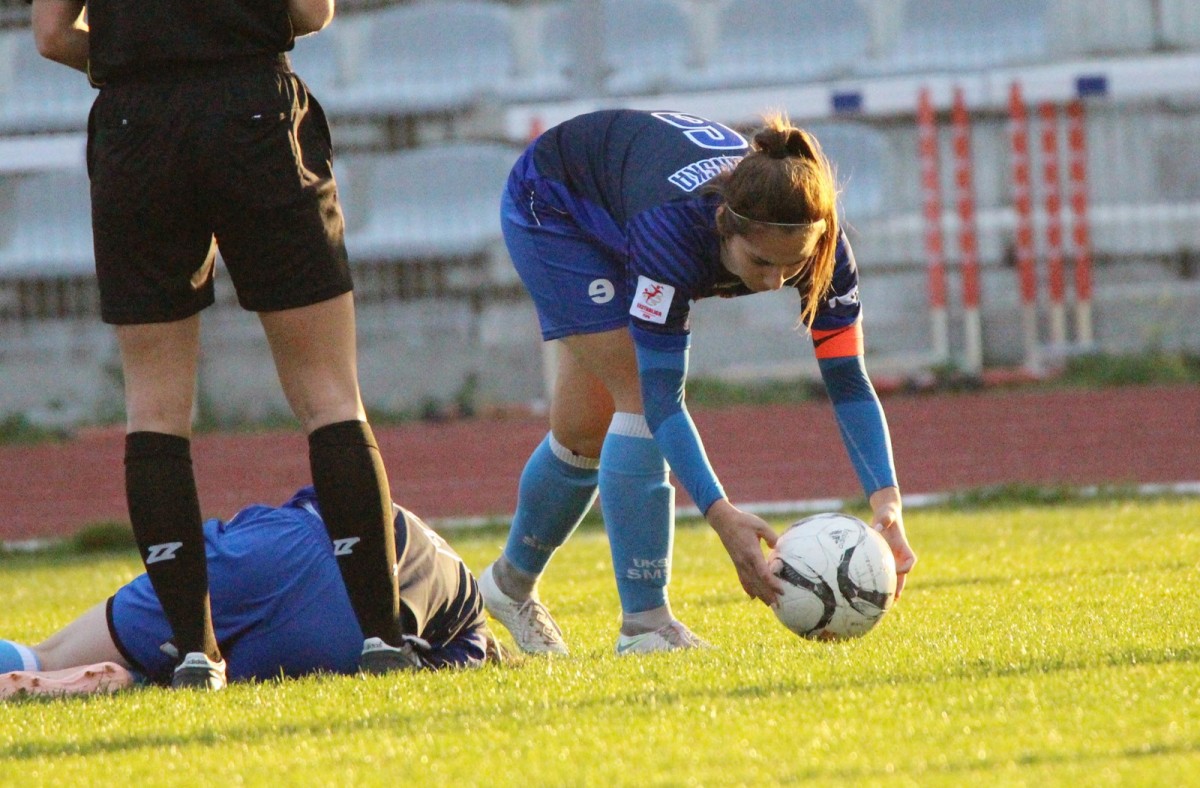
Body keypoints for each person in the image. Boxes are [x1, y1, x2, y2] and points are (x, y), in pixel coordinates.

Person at [29, 0, 410, 688]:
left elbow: (53, 36)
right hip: (255, 110)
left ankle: (195, 653)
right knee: (330, 396)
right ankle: (383, 639)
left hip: (135, 121)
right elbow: (312, 11)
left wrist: (137, 55)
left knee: (154, 407)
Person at [478, 109, 917, 656]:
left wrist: (887, 500)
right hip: (556, 203)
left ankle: (508, 585)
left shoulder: (822, 249)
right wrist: (720, 513)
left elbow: (848, 380)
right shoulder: (673, 233)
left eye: (792, 266)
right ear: (725, 225)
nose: (775, 281)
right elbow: (663, 402)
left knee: (585, 433)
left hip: (621, 195)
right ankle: (645, 626)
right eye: (760, 261)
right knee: (636, 397)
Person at [0, 486, 500, 698]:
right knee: (188, 680)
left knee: (45, 654)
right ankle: (134, 678)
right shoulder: (468, 636)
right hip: (351, 632)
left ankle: (91, 666)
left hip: (284, 544)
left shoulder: (465, 593)